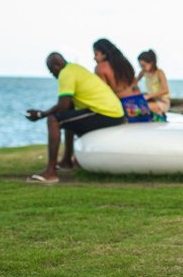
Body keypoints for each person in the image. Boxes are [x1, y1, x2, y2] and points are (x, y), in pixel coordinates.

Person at [25, 52, 125, 183]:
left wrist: (41, 114)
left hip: (105, 113)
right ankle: (66, 161)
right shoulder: (75, 68)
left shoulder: (65, 74)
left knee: (53, 120)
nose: (53, 75)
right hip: (114, 113)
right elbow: (67, 107)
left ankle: (50, 172)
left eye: (51, 72)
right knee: (67, 116)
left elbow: (62, 105)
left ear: (56, 67)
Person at [93, 38, 152, 123]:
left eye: (96, 54)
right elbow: (135, 82)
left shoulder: (100, 68)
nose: (94, 58)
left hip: (125, 103)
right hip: (140, 101)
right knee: (143, 132)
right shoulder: (125, 63)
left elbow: (104, 93)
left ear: (104, 54)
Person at [135, 49, 170, 116]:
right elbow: (134, 82)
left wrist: (148, 96)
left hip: (163, 102)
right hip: (151, 100)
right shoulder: (143, 72)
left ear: (151, 63)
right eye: (140, 66)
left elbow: (165, 90)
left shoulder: (159, 72)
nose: (142, 68)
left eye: (144, 65)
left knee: (140, 109)